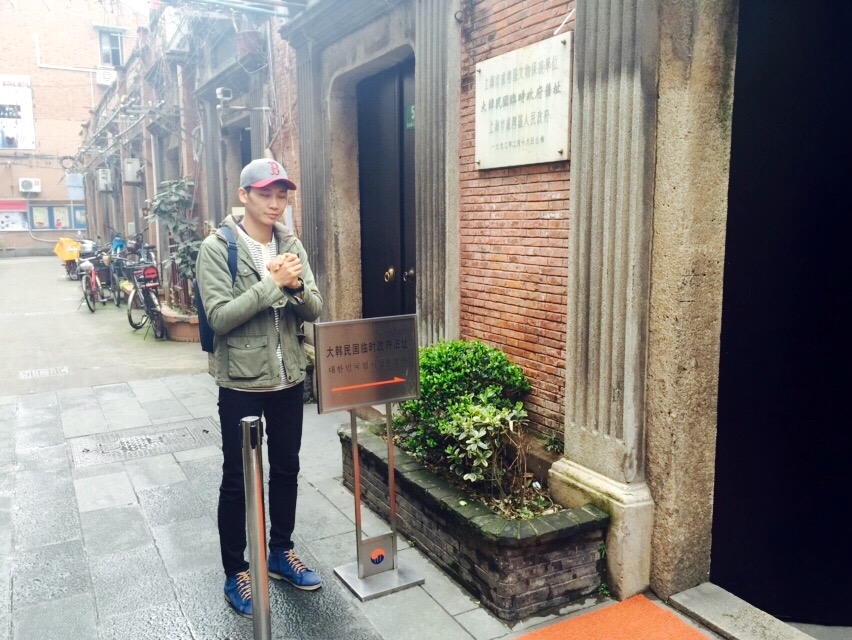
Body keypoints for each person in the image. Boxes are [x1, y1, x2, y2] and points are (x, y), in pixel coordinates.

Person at [195, 158, 324, 618]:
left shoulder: (291, 243)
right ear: (244, 195)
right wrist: (273, 284)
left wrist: (294, 287)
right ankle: (237, 571)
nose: (275, 203)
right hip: (242, 383)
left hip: (289, 379)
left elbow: (314, 308)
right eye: (265, 193)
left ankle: (280, 552)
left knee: (286, 469)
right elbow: (219, 317)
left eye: (282, 194)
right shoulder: (217, 248)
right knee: (238, 479)